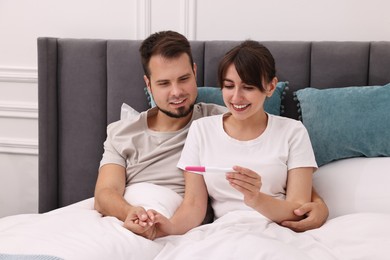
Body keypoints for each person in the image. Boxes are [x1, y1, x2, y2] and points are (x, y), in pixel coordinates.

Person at [93, 31, 328, 239]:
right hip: (136, 214)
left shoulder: (225, 117)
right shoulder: (123, 132)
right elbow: (105, 194)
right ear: (149, 84)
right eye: (164, 83)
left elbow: (293, 192)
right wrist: (144, 218)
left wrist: (318, 205)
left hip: (259, 229)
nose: (176, 92)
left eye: (184, 79)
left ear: (195, 72)